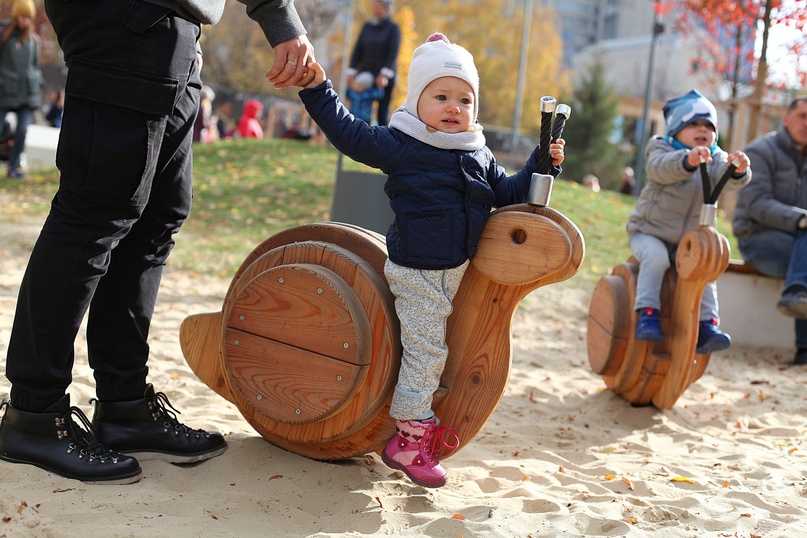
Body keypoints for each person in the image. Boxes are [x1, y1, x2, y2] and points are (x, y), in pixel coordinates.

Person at [0, 0, 314, 485]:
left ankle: (124, 406)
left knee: (158, 215)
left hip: (176, 27)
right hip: (127, 17)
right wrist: (278, 18)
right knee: (95, 212)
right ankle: (34, 416)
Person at [297, 33, 566, 488]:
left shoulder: (476, 153)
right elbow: (348, 132)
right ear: (417, 100)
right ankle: (409, 440)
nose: (454, 107)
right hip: (419, 272)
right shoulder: (402, 145)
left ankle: (417, 421)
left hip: (458, 270)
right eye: (440, 96)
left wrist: (543, 161)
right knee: (426, 352)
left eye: (465, 99)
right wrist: (318, 89)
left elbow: (509, 193)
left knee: (445, 347)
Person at [626, 89, 751, 353]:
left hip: (689, 241)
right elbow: (659, 168)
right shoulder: (661, 146)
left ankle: (707, 324)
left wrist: (739, 169)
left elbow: (728, 181)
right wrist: (688, 160)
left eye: (708, 125)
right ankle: (647, 312)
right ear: (676, 129)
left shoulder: (716, 158)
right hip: (650, 233)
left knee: (706, 268)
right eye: (693, 123)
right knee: (656, 258)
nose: (702, 130)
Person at [732, 97, 807, 365]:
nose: (806, 123)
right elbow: (757, 204)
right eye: (802, 116)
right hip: (758, 238)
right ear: (785, 119)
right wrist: (801, 220)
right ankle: (805, 347)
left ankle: (796, 293)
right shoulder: (761, 150)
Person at [0, 0, 44, 179]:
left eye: (29, 17)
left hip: (28, 93)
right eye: (23, 16)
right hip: (6, 90)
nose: (26, 21)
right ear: (16, 15)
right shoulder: (3, 35)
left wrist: (39, 82)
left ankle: (13, 167)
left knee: (23, 131)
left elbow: (35, 66)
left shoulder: (34, 40)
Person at [346, 0, 400, 126]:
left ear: (386, 8)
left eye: (379, 6)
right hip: (367, 74)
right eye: (374, 6)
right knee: (361, 108)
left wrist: (384, 75)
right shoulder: (367, 27)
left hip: (385, 77)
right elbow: (358, 50)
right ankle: (360, 137)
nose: (375, 9)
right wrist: (351, 71)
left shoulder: (393, 28)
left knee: (382, 112)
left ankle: (384, 141)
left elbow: (393, 52)